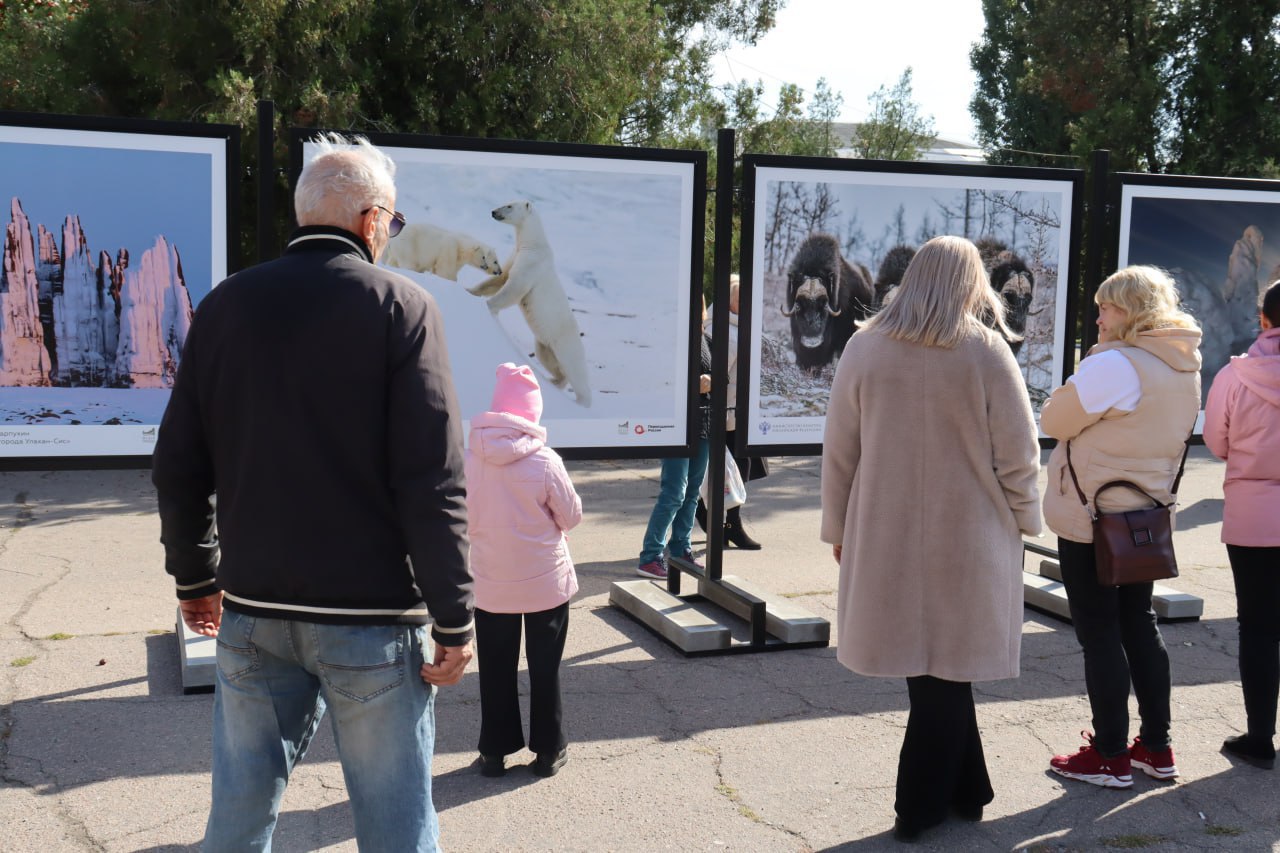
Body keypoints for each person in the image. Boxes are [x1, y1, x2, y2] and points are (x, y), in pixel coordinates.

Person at [152, 133, 474, 852]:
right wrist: (454, 617)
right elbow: (432, 479)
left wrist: (195, 577)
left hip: (252, 610)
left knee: (237, 819)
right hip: (371, 619)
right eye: (392, 223)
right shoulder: (402, 307)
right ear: (370, 219)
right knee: (396, 826)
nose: (389, 235)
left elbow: (178, 462)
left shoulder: (225, 305)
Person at [820, 235, 1041, 842]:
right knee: (946, 666)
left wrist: (838, 527)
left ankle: (968, 791)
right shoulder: (987, 351)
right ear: (973, 283)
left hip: (885, 529)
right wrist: (1026, 520)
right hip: (971, 534)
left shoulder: (865, 347)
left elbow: (840, 451)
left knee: (936, 669)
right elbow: (1018, 454)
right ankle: (917, 808)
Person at [1041, 265, 1201, 789]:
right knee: (1139, 624)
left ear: (1129, 310)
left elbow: (1054, 420)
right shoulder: (1182, 364)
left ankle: (1109, 756)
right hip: (1144, 519)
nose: (1098, 318)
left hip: (1093, 517)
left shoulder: (1115, 363)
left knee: (1100, 633)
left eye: (1105, 307)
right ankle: (1156, 747)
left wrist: (1091, 365)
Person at [465, 362, 582, 779]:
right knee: (545, 667)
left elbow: (460, 515)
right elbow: (571, 516)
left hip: (490, 581)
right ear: (533, 412)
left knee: (495, 667)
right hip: (544, 581)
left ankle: (494, 753)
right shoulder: (546, 460)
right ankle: (549, 751)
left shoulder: (469, 459)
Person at [1204, 280, 1280, 770]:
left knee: (1258, 627)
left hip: (1253, 516)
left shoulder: (1235, 377)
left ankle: (1259, 738)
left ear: (1263, 320)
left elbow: (1216, 442)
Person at [636, 297, 712, 579]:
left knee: (692, 493)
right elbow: (659, 380)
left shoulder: (706, 338)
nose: (699, 309)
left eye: (700, 302)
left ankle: (680, 549)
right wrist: (695, 384)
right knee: (674, 493)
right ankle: (650, 557)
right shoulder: (670, 339)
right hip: (677, 427)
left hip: (704, 425)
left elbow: (722, 377)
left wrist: (712, 380)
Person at [696, 273, 766, 549]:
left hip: (739, 413)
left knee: (740, 469)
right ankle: (723, 522)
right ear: (730, 301)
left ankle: (726, 523)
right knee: (733, 470)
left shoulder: (738, 326)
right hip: (727, 414)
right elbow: (715, 376)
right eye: (741, 297)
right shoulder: (722, 329)